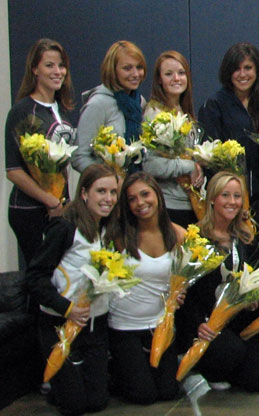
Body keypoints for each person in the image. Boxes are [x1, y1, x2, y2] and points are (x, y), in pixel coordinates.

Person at [25, 164, 119, 416]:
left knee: (97, 402)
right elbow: (35, 277)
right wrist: (67, 308)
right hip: (59, 326)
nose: (108, 198)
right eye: (101, 191)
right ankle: (59, 384)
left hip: (94, 327)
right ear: (85, 193)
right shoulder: (64, 228)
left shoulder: (108, 229)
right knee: (73, 407)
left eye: (113, 192)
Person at [175, 172, 259, 392]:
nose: (232, 202)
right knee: (230, 350)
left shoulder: (247, 238)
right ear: (212, 199)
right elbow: (184, 289)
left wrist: (254, 300)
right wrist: (198, 324)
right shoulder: (196, 237)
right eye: (225, 195)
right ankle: (198, 368)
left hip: (238, 322)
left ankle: (228, 364)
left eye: (237, 196)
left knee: (256, 381)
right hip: (206, 325)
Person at [106, 172, 185, 404]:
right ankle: (115, 368)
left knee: (168, 392)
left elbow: (184, 277)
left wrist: (180, 291)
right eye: (131, 199)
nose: (140, 203)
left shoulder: (178, 235)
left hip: (160, 326)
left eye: (145, 194)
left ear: (157, 195)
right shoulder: (119, 236)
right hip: (125, 327)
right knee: (144, 396)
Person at [5, 38, 76, 268]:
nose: (58, 72)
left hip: (58, 208)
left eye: (61, 65)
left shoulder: (62, 109)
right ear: (34, 69)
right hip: (30, 210)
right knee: (39, 278)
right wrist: (50, 201)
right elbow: (13, 170)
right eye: (49, 65)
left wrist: (61, 204)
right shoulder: (22, 111)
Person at [199, 42, 259, 231]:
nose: (243, 74)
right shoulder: (215, 104)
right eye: (237, 69)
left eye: (248, 68)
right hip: (230, 199)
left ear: (257, 70)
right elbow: (210, 154)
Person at [143, 50, 203, 227]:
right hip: (168, 204)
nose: (176, 78)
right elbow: (150, 164)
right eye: (169, 74)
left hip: (190, 202)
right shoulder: (154, 114)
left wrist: (199, 168)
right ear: (159, 79)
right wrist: (189, 166)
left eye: (181, 73)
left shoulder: (185, 111)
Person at [72, 41, 146, 173]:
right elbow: (79, 156)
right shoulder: (98, 104)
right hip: (107, 190)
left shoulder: (140, 102)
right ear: (112, 70)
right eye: (127, 68)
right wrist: (106, 179)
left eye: (139, 67)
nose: (135, 74)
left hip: (135, 187)